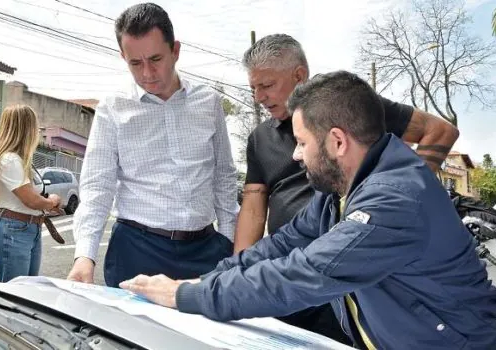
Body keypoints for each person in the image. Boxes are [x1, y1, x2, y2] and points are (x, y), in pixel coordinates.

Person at [120, 71, 496, 350]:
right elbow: (281, 245)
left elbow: (301, 274)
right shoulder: (341, 193)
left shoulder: (394, 201)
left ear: (337, 141)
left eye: (301, 143)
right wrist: (204, 280)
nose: (296, 155)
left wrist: (183, 298)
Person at [233, 34, 459, 342]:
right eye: (253, 88)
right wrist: (237, 276)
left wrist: (406, 188)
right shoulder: (259, 138)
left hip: (353, 277)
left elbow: (440, 131)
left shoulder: (350, 109)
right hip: (288, 275)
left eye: (267, 85)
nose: (258, 96)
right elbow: (253, 206)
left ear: (299, 76)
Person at [67, 3, 238, 287]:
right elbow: (98, 185)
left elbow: (223, 174)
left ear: (176, 50)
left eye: (156, 59)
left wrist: (228, 242)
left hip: (205, 249)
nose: (147, 73)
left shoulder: (208, 102)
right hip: (136, 250)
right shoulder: (112, 108)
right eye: (135, 63)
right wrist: (84, 255)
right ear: (124, 57)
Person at [0, 105, 62, 282]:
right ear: (25, 128)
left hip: (25, 228)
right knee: (15, 295)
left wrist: (45, 205)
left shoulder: (17, 160)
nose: (37, 131)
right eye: (35, 126)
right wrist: (52, 201)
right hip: (14, 229)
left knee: (26, 290)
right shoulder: (9, 159)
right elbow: (31, 200)